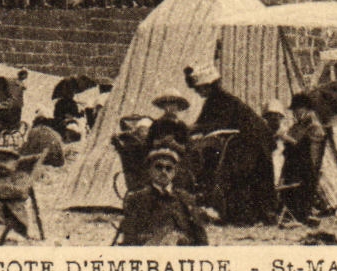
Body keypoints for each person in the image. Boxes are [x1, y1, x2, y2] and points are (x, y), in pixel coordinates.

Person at [186, 64, 278, 225]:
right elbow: (203, 123)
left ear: (208, 86)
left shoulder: (222, 100)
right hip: (247, 140)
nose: (198, 92)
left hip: (254, 140)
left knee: (240, 176)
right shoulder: (214, 100)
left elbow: (212, 124)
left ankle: (246, 218)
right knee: (240, 176)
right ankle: (242, 216)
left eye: (199, 88)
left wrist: (187, 130)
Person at [118, 148, 209, 246]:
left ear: (174, 172)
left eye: (169, 168)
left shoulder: (185, 198)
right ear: (150, 170)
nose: (164, 172)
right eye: (158, 167)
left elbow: (201, 239)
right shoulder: (137, 199)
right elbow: (130, 239)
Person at [278, 93, 326, 224]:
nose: (294, 113)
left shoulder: (313, 127)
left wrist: (286, 138)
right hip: (294, 166)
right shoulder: (299, 125)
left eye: (297, 110)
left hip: (304, 171)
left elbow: (309, 154)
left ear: (305, 109)